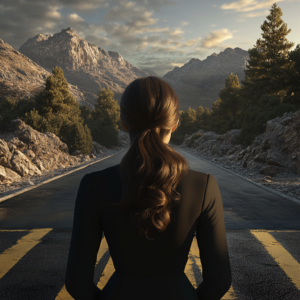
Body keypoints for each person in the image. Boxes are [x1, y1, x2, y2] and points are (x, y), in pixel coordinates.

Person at [65, 76, 231, 299]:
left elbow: (77, 283)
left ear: (124, 124)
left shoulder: (93, 185)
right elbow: (219, 281)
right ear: (175, 124)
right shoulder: (205, 185)